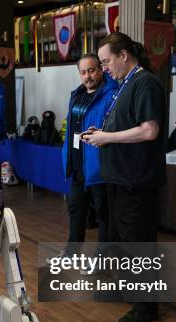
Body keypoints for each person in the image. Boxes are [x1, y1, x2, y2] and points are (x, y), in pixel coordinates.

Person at [84, 32, 167, 322]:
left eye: (106, 61)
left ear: (124, 55)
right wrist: (102, 132)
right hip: (118, 178)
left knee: (139, 245)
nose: (104, 67)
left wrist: (107, 137)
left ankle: (146, 306)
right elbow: (125, 125)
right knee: (122, 241)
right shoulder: (124, 84)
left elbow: (149, 131)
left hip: (136, 180)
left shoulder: (144, 83)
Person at [59, 54, 117, 264]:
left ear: (101, 69)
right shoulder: (77, 94)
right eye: (83, 72)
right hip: (76, 165)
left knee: (104, 216)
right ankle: (72, 253)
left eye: (91, 70)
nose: (87, 76)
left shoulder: (111, 94)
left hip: (98, 166)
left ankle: (102, 258)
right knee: (76, 210)